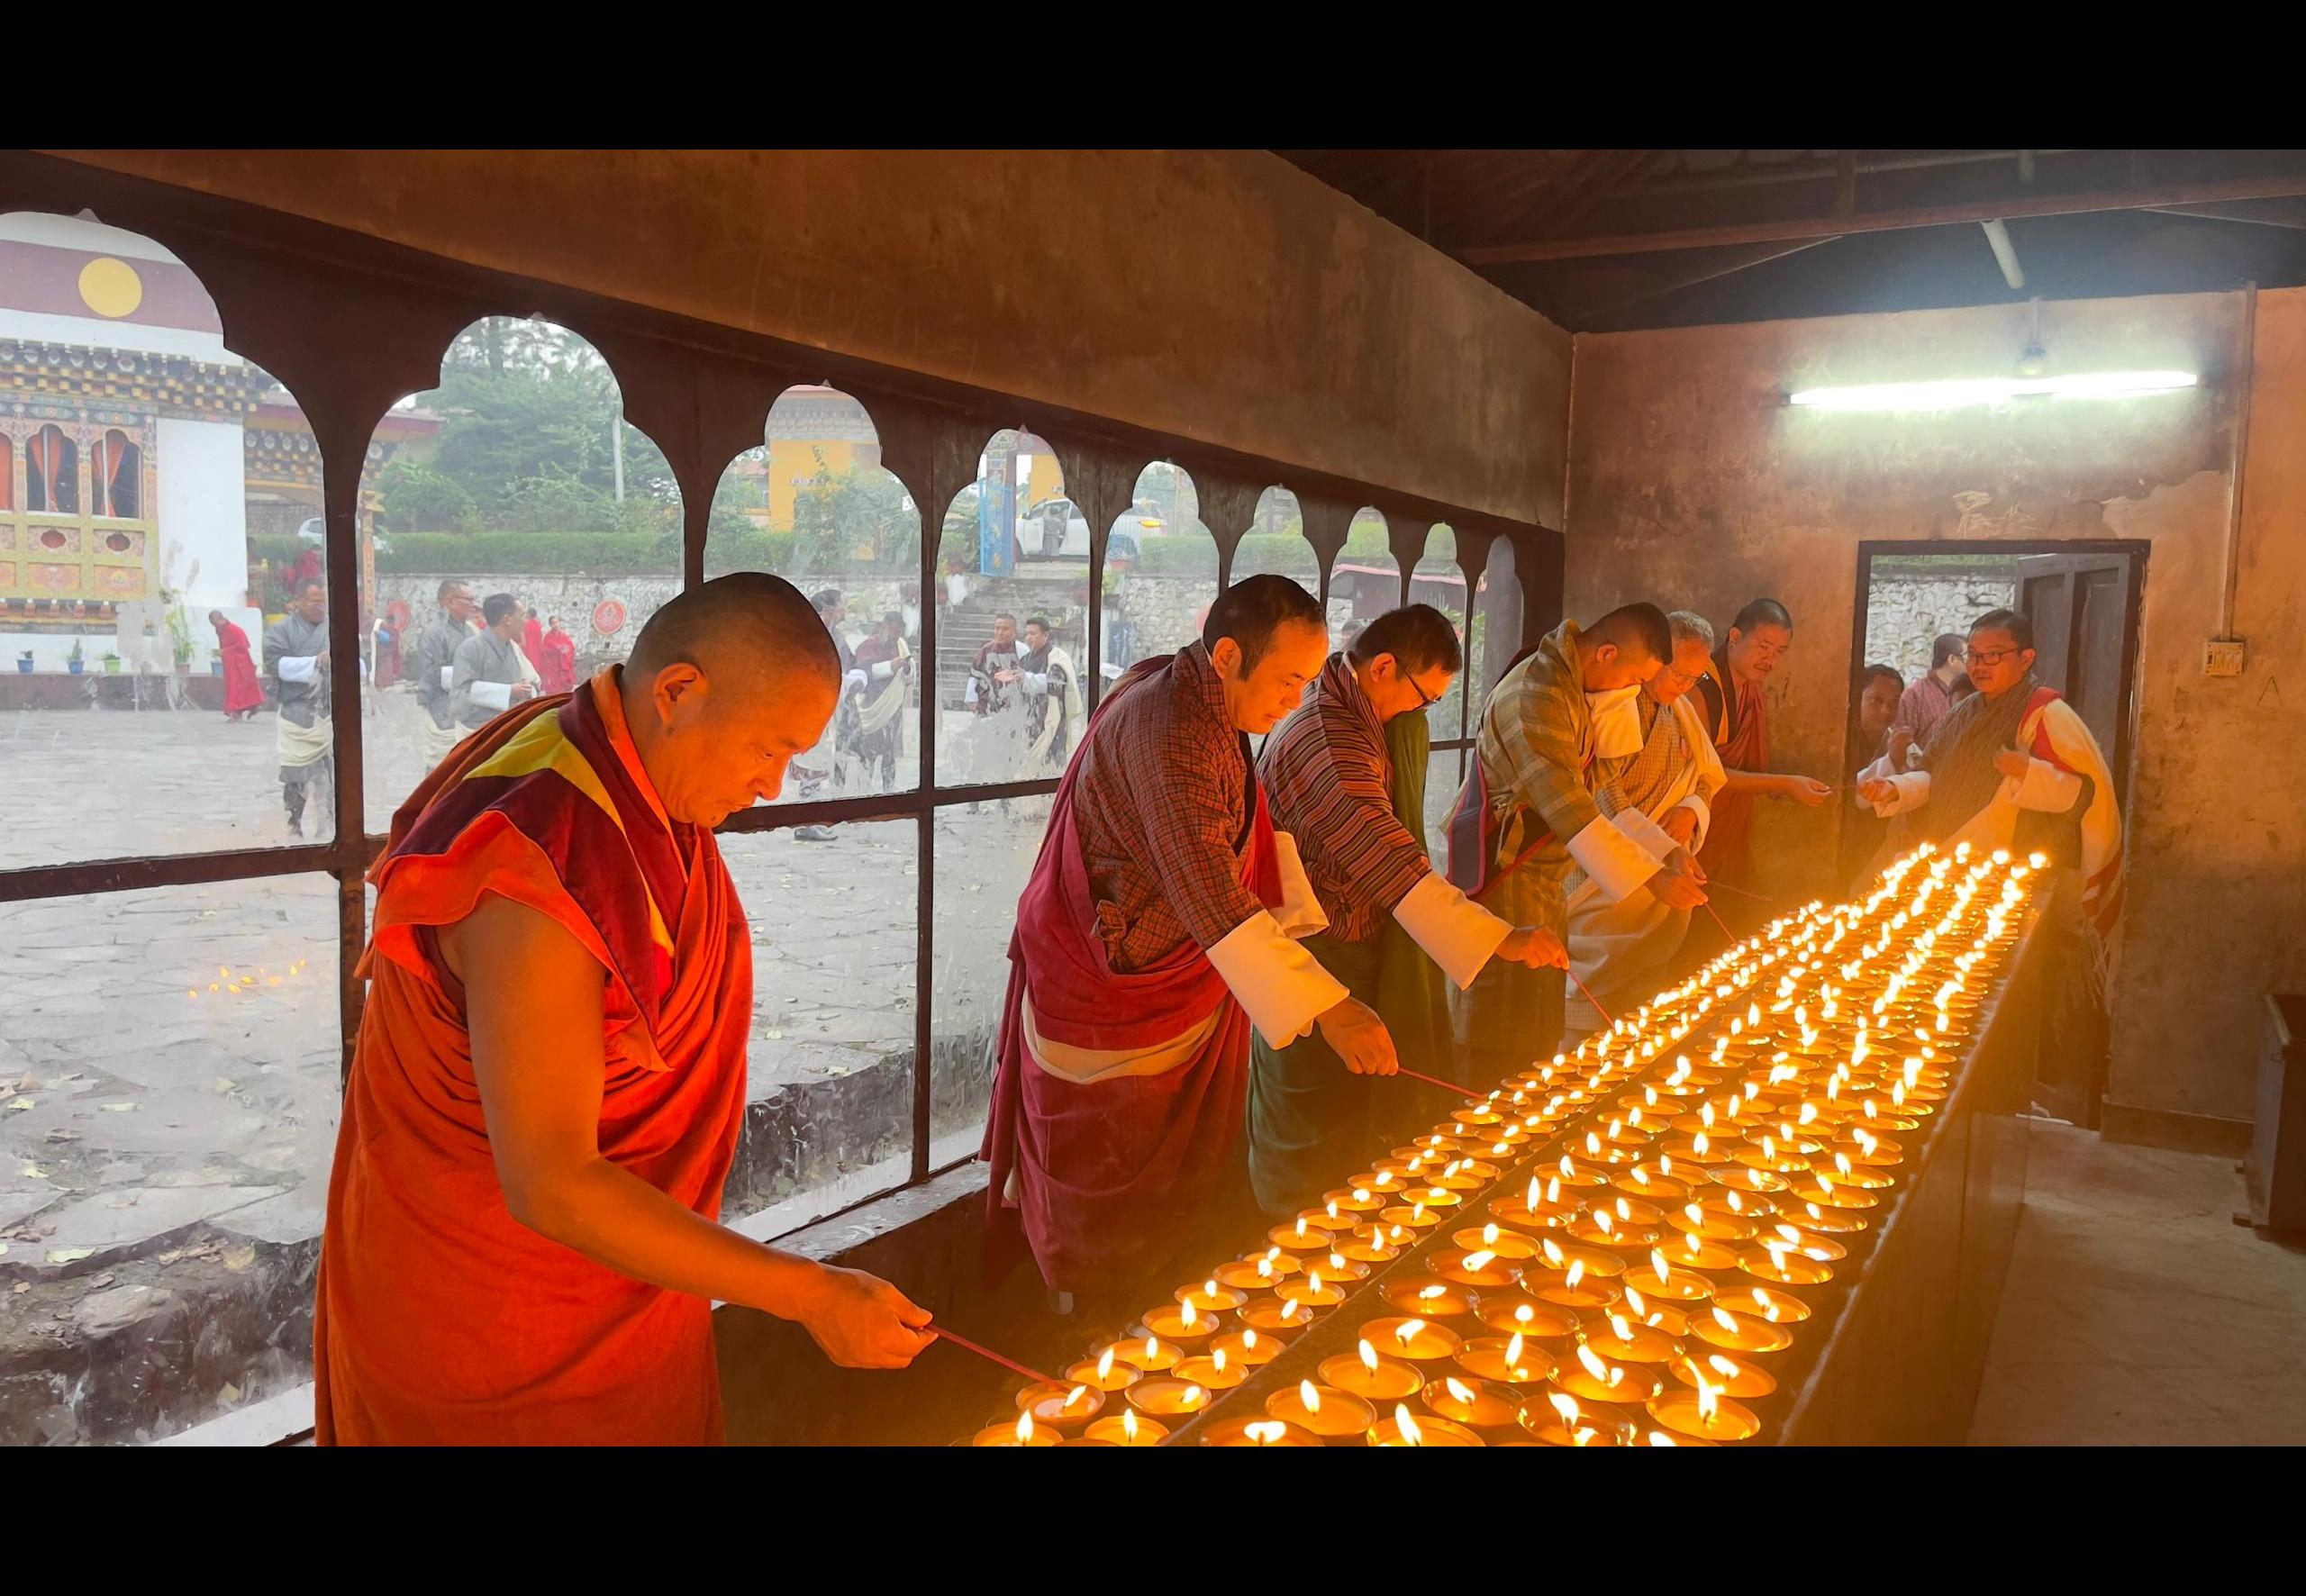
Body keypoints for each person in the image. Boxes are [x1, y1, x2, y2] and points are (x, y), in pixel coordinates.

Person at [314, 572, 934, 1446]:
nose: (773, 785)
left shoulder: (607, 759)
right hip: (501, 1328)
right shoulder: (538, 862)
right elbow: (552, 1183)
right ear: (678, 691)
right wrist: (812, 1293)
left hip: (620, 1287)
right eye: (769, 747)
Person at [980, 576, 1398, 1302]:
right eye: (1289, 680)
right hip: (1113, 983)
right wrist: (1333, 1008)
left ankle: (1148, 1298)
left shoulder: (1206, 704)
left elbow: (1239, 831)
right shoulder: (1173, 726)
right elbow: (1208, 884)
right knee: (1109, 1185)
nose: (1295, 701)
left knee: (1171, 1189)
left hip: (1176, 972)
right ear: (1230, 653)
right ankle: (1090, 1318)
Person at [1249, 604, 1567, 1214]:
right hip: (1316, 954)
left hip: (1343, 939)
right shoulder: (1331, 742)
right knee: (1314, 1119)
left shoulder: (1349, 705)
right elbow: (1393, 865)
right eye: (1421, 699)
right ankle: (1290, 1242)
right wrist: (1504, 939)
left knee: (1345, 1113)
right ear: (1384, 668)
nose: (1418, 717)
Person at [1855, 608, 2124, 1111]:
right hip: (1951, 873)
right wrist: (1891, 786)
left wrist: (2029, 772)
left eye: (1992, 656)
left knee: (1995, 1008)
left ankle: (1995, 1105)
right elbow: (1933, 776)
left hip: (2009, 883)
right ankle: (1935, 1097)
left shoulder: (2048, 716)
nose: (1979, 666)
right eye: (1973, 656)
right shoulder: (1964, 712)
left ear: (2025, 659)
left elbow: (2084, 796)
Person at [1448, 603, 1710, 1081]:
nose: (1636, 693)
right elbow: (1572, 809)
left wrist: (1668, 853)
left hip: (1545, 878)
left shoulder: (1577, 687)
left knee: (1534, 1027)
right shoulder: (1538, 695)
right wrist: (1653, 880)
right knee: (1497, 1028)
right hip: (1506, 876)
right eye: (1633, 679)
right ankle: (1480, 1128)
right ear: (1606, 654)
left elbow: (1602, 785)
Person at [1561, 611, 1729, 1038]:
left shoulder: (1681, 713)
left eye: (1695, 679)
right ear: (1655, 658)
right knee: (1588, 996)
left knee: (1641, 994)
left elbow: (1706, 778)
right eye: (1677, 674)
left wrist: (1691, 808)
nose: (1684, 687)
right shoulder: (1613, 702)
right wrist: (1662, 854)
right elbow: (1603, 794)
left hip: (1656, 873)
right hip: (1600, 873)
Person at [1691, 597, 1832, 902]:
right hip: (1694, 829)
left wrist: (1780, 786)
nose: (1770, 660)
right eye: (1763, 646)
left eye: (1780, 651)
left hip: (1728, 830)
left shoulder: (1750, 688)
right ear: (1735, 637)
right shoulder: (1702, 691)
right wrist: (1783, 783)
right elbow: (1704, 776)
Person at [264, 581, 340, 839]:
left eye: (323, 602)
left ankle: (328, 826)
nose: (320, 607)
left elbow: (358, 660)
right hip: (296, 711)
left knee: (331, 774)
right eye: (314, 601)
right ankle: (294, 824)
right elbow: (275, 664)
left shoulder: (336, 627)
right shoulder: (281, 630)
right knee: (295, 774)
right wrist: (315, 662)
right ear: (298, 601)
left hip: (330, 712)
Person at [1839, 662, 1906, 891]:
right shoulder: (1840, 740)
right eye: (1876, 701)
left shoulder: (1896, 742)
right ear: (1857, 698)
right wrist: (1892, 762)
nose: (1886, 711)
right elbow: (1856, 793)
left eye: (1893, 703)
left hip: (1872, 843)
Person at [406, 580, 479, 770]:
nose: (473, 604)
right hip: (443, 710)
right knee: (441, 770)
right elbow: (430, 673)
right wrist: (468, 675)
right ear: (450, 602)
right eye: (468, 600)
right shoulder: (434, 633)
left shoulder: (470, 630)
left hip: (468, 708)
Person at [452, 594, 540, 730]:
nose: (525, 621)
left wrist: (528, 691)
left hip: (511, 725)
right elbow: (461, 692)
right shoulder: (470, 648)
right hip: (479, 731)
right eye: (522, 615)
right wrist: (508, 691)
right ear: (507, 619)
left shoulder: (513, 647)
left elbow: (533, 681)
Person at [850, 611, 912, 793]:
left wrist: (907, 668)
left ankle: (888, 792)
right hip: (873, 704)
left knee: (889, 754)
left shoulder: (901, 645)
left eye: (898, 633)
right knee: (868, 753)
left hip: (893, 707)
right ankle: (864, 792)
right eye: (893, 632)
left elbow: (909, 675)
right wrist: (889, 667)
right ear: (884, 627)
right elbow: (862, 672)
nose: (895, 636)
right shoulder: (868, 645)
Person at [1889, 633, 1967, 770]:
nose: (1972, 663)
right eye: (1967, 657)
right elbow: (1902, 743)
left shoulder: (1968, 693)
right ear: (1952, 659)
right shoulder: (1915, 694)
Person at [1017, 614, 1084, 772]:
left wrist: (1026, 679)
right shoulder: (1025, 659)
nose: (1028, 638)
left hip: (1052, 719)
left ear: (1046, 635)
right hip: (1030, 720)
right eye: (1027, 634)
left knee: (1052, 765)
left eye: (1033, 634)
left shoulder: (1057, 658)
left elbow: (1056, 683)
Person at [209, 610, 263, 721]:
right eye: (212, 623)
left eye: (214, 622)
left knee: (237, 687)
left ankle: (237, 713)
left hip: (241, 662)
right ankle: (246, 709)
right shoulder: (220, 629)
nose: (214, 625)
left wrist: (226, 651)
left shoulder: (233, 629)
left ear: (220, 619)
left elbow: (244, 645)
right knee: (233, 687)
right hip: (230, 663)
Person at [539, 614, 577, 696]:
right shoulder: (547, 637)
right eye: (553, 623)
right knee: (554, 690)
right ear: (550, 625)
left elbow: (570, 646)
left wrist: (566, 649)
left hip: (563, 665)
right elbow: (546, 650)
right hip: (553, 666)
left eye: (557, 622)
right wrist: (558, 649)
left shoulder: (563, 635)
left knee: (565, 689)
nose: (556, 624)